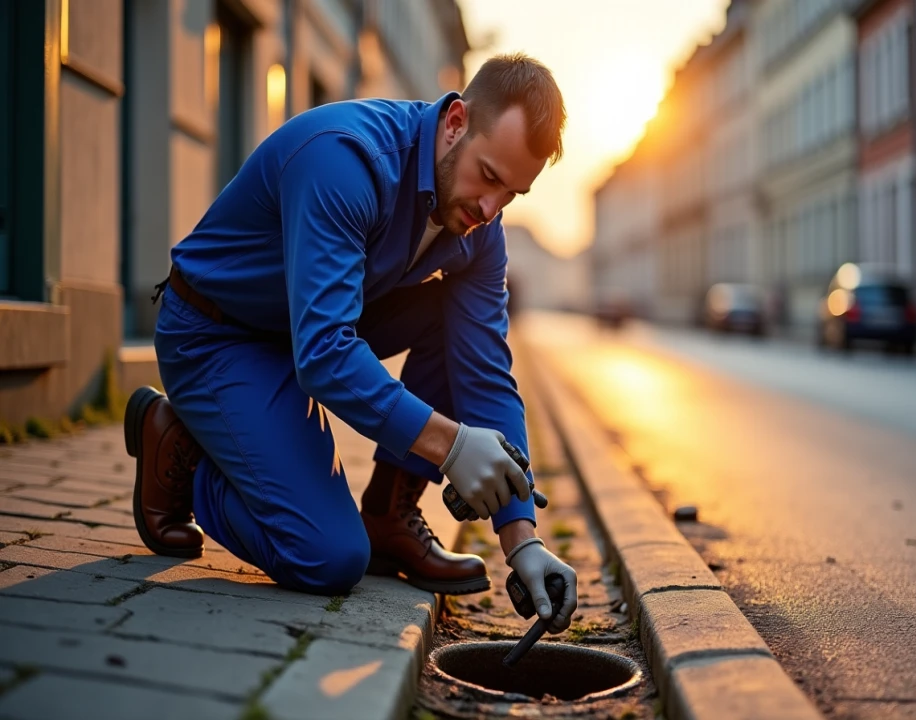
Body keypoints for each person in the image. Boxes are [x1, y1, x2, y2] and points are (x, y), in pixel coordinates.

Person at [123, 53, 578, 633]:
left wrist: (523, 541)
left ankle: (390, 514)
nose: (491, 210)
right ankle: (181, 450)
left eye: (512, 194)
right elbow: (327, 355)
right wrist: (453, 447)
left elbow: (485, 370)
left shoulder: (480, 230)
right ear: (457, 122)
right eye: (489, 177)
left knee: (450, 318)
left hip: (301, 335)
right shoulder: (345, 161)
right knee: (329, 557)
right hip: (216, 336)